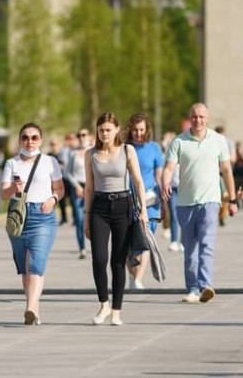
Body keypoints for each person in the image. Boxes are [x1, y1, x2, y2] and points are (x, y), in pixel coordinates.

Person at [161, 103, 239, 305]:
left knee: (207, 244)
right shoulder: (179, 141)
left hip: (210, 202)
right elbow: (168, 167)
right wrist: (165, 182)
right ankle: (192, 289)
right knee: (190, 248)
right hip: (185, 202)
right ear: (190, 118)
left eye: (202, 117)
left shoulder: (218, 141)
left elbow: (227, 171)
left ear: (208, 118)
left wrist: (232, 199)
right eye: (194, 117)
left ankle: (205, 285)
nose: (198, 120)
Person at [84, 112, 148, 326]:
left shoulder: (127, 150)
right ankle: (104, 305)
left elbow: (138, 181)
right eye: (101, 130)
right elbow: (90, 187)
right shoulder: (90, 154)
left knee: (118, 261)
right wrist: (86, 217)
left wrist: (144, 211)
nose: (104, 134)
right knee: (99, 258)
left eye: (108, 130)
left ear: (117, 130)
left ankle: (117, 311)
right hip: (99, 207)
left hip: (123, 205)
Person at [0, 122, 65, 325]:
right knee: (25, 267)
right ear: (20, 140)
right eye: (25, 137)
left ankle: (29, 307)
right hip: (19, 217)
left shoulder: (50, 162)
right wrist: (13, 188)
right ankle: (34, 309)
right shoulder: (12, 163)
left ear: (41, 140)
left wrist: (53, 199)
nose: (30, 141)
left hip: (43, 216)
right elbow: (3, 193)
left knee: (36, 262)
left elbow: (60, 188)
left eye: (34, 137)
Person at [125, 113, 163, 290]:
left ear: (147, 129)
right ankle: (132, 277)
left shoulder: (154, 148)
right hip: (128, 199)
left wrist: (164, 188)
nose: (138, 133)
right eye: (135, 130)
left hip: (150, 200)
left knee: (146, 238)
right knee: (127, 242)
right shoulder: (124, 148)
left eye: (141, 129)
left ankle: (138, 279)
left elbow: (159, 173)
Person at [63, 128, 92, 259]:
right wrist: (76, 186)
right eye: (79, 135)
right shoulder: (73, 153)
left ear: (89, 136)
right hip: (78, 188)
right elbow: (67, 172)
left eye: (84, 135)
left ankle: (96, 245)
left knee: (94, 219)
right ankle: (82, 248)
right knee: (80, 219)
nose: (81, 137)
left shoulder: (93, 151)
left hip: (92, 188)